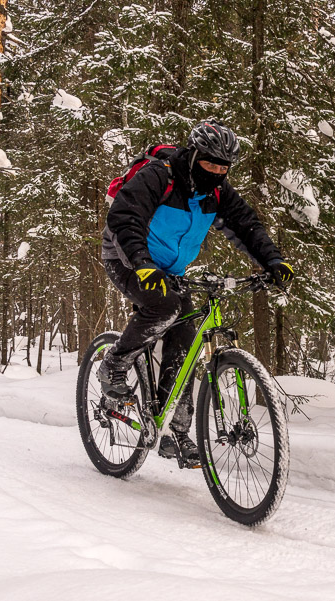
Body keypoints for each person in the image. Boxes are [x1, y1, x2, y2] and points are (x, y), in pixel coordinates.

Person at [98, 120, 294, 467]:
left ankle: (176, 431)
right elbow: (124, 218)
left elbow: (247, 226)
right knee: (164, 307)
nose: (217, 172)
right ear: (194, 156)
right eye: (211, 164)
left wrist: (273, 261)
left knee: (185, 336)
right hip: (127, 257)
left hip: (170, 270)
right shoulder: (160, 176)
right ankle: (114, 363)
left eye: (224, 167)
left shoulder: (217, 192)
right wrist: (141, 262)